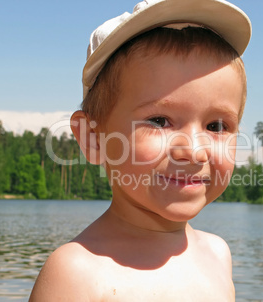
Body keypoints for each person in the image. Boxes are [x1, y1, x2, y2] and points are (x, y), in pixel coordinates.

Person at [29, 0, 251, 300]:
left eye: (216, 126)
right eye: (160, 121)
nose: (194, 151)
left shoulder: (218, 254)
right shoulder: (76, 274)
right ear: (94, 139)